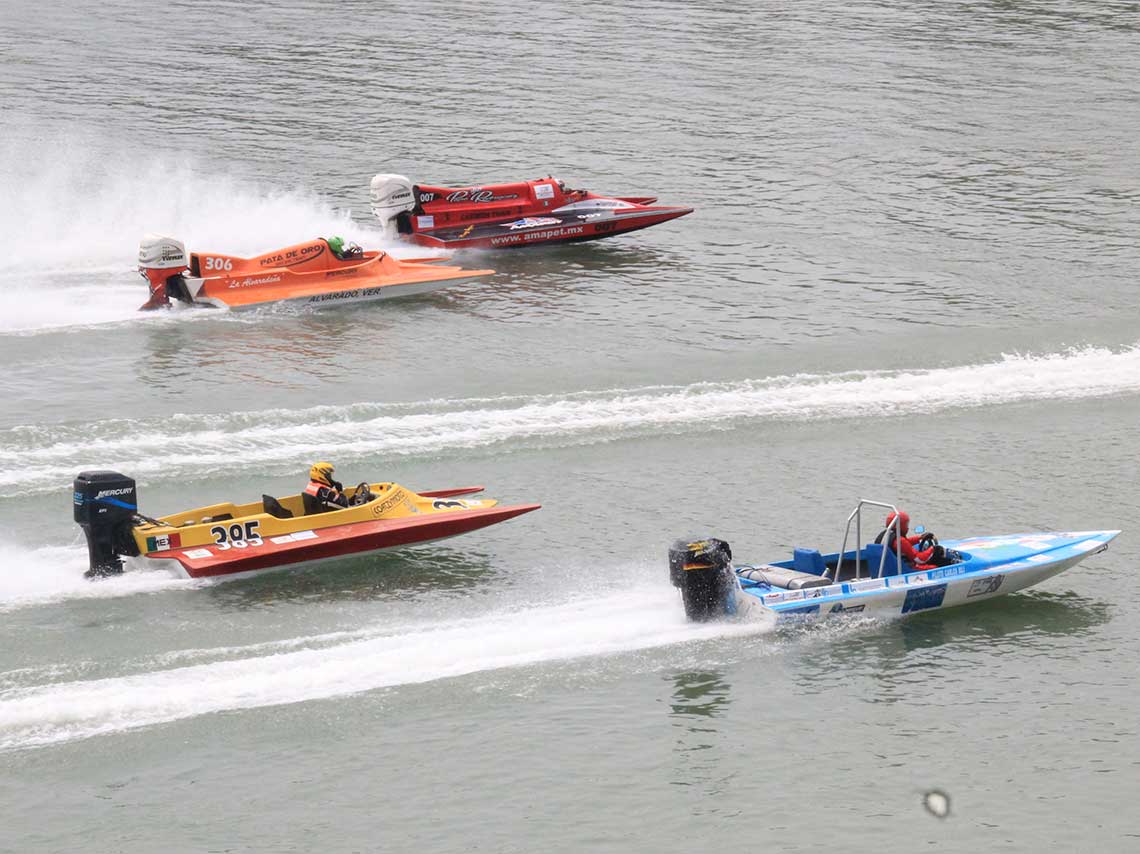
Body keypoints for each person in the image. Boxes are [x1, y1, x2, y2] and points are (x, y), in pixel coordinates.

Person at [874, 510, 941, 570]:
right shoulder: (900, 541)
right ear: (900, 525)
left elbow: (905, 543)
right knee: (935, 567)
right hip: (902, 570)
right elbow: (920, 559)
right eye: (906, 524)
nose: (907, 527)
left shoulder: (885, 535)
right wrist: (933, 549)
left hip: (886, 568)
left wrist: (920, 538)